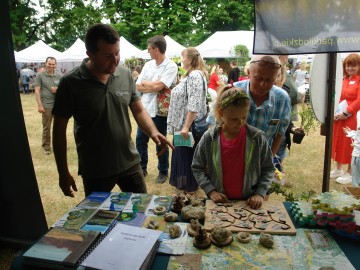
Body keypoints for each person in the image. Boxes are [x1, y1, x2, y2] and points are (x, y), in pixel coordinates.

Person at [52, 23, 173, 197]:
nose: (115, 60)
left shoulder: (124, 74)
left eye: (117, 53)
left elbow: (138, 110)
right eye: (108, 55)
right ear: (90, 54)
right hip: (95, 168)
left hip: (129, 161)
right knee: (98, 218)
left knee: (141, 212)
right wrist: (62, 172)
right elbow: (58, 130)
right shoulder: (71, 83)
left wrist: (153, 132)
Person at [192, 86, 274, 209]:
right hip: (219, 203)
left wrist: (260, 193)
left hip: (248, 204)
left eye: (244, 117)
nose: (240, 122)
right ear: (221, 113)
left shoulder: (257, 138)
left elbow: (268, 169)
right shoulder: (209, 138)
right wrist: (211, 191)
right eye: (234, 119)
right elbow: (197, 167)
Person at [136, 35, 178, 183]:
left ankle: (163, 171)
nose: (148, 52)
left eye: (149, 49)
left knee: (160, 142)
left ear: (157, 49)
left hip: (160, 111)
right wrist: (152, 86)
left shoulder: (171, 66)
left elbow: (158, 86)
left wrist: (149, 85)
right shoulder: (148, 65)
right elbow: (137, 86)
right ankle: (142, 169)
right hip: (145, 108)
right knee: (140, 140)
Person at [167, 47, 208, 192]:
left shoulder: (195, 75)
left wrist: (185, 126)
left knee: (186, 158)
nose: (181, 60)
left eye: (182, 57)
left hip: (188, 127)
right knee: (183, 157)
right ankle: (185, 186)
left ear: (190, 60)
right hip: (185, 125)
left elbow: (194, 104)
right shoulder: (191, 75)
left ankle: (189, 188)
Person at [234, 55, 291, 157]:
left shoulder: (282, 98)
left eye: (269, 80)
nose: (263, 84)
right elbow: (214, 126)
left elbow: (280, 132)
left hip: (261, 159)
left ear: (277, 77)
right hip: (232, 156)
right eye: (258, 78)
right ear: (248, 73)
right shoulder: (232, 92)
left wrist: (270, 157)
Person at [331, 53, 360, 184]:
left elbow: (359, 100)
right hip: (339, 116)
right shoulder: (343, 79)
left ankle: (349, 172)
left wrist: (347, 112)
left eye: (353, 66)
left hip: (352, 117)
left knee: (349, 143)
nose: (350, 68)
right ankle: (338, 168)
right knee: (338, 141)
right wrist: (335, 112)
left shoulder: (359, 80)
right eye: (348, 65)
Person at [34, 57, 62, 155]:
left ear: (56, 64)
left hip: (58, 105)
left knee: (59, 127)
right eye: (49, 64)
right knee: (47, 127)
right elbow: (37, 91)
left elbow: (64, 89)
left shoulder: (59, 75)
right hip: (46, 106)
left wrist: (57, 90)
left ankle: (59, 145)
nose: (51, 66)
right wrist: (40, 105)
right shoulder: (40, 75)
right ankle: (46, 147)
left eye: (53, 64)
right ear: (45, 64)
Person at [343, 113, 360, 187]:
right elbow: (358, 134)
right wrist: (351, 133)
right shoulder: (359, 113)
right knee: (355, 184)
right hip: (355, 154)